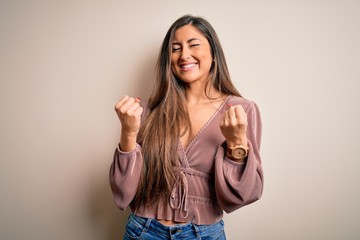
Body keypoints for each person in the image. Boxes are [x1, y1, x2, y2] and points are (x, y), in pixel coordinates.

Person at [110, 14, 263, 240]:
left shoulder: (241, 110)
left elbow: (241, 195)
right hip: (143, 231)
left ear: (214, 53)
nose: (184, 55)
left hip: (204, 234)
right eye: (175, 48)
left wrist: (237, 143)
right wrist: (128, 133)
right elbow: (123, 193)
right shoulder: (151, 110)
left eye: (193, 45)